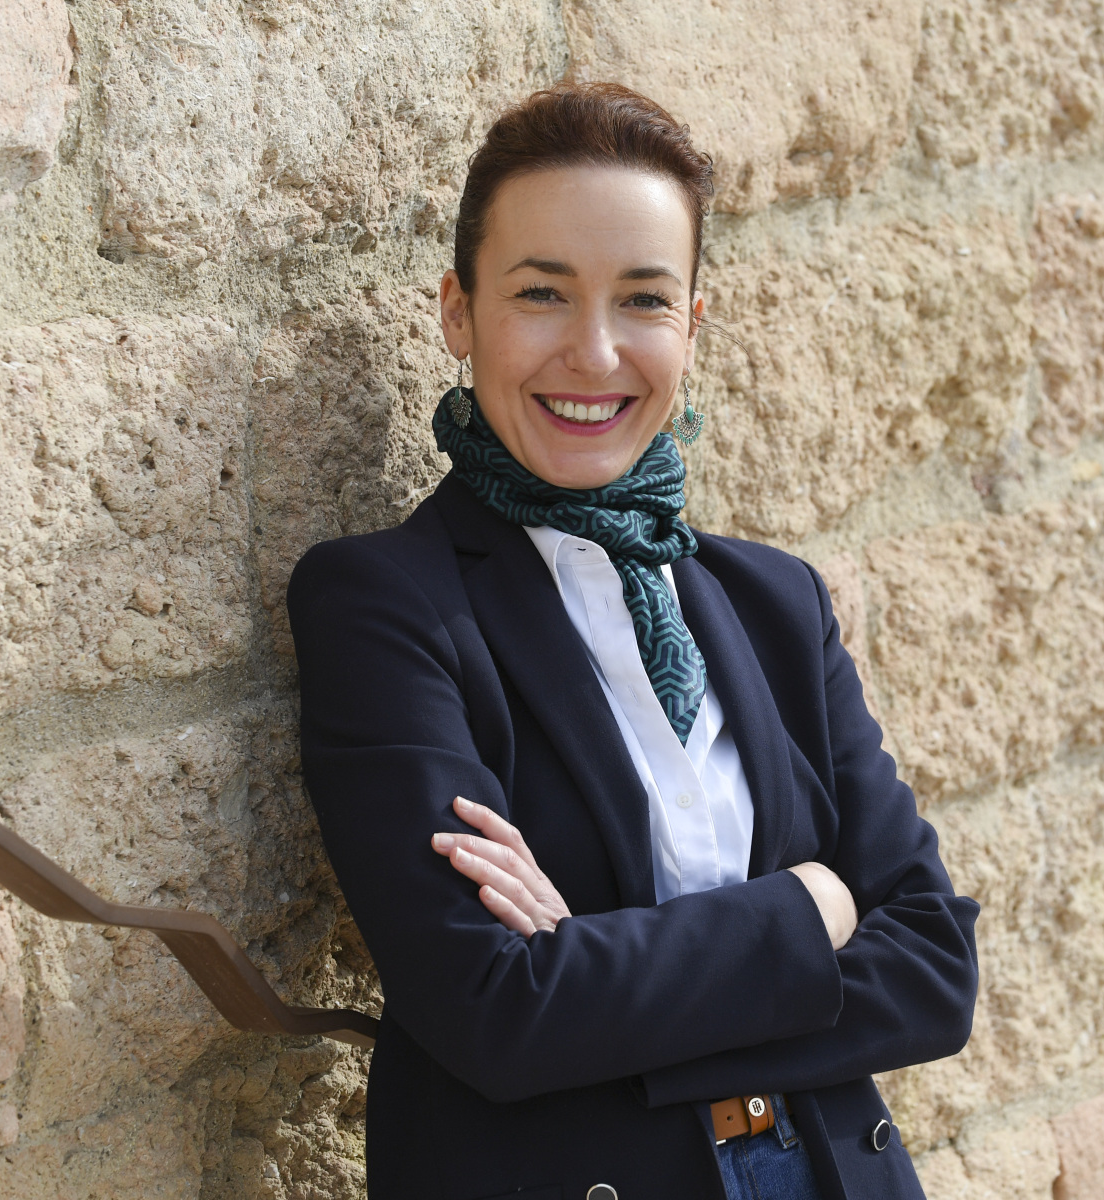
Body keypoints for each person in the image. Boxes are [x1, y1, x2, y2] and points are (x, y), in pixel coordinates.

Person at [287, 82, 980, 1200]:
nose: (595, 352)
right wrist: (809, 910)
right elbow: (496, 1011)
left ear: (692, 325)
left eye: (643, 300)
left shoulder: (777, 602)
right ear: (459, 312)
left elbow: (935, 971)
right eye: (542, 294)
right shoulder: (384, 604)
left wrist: (595, 971)